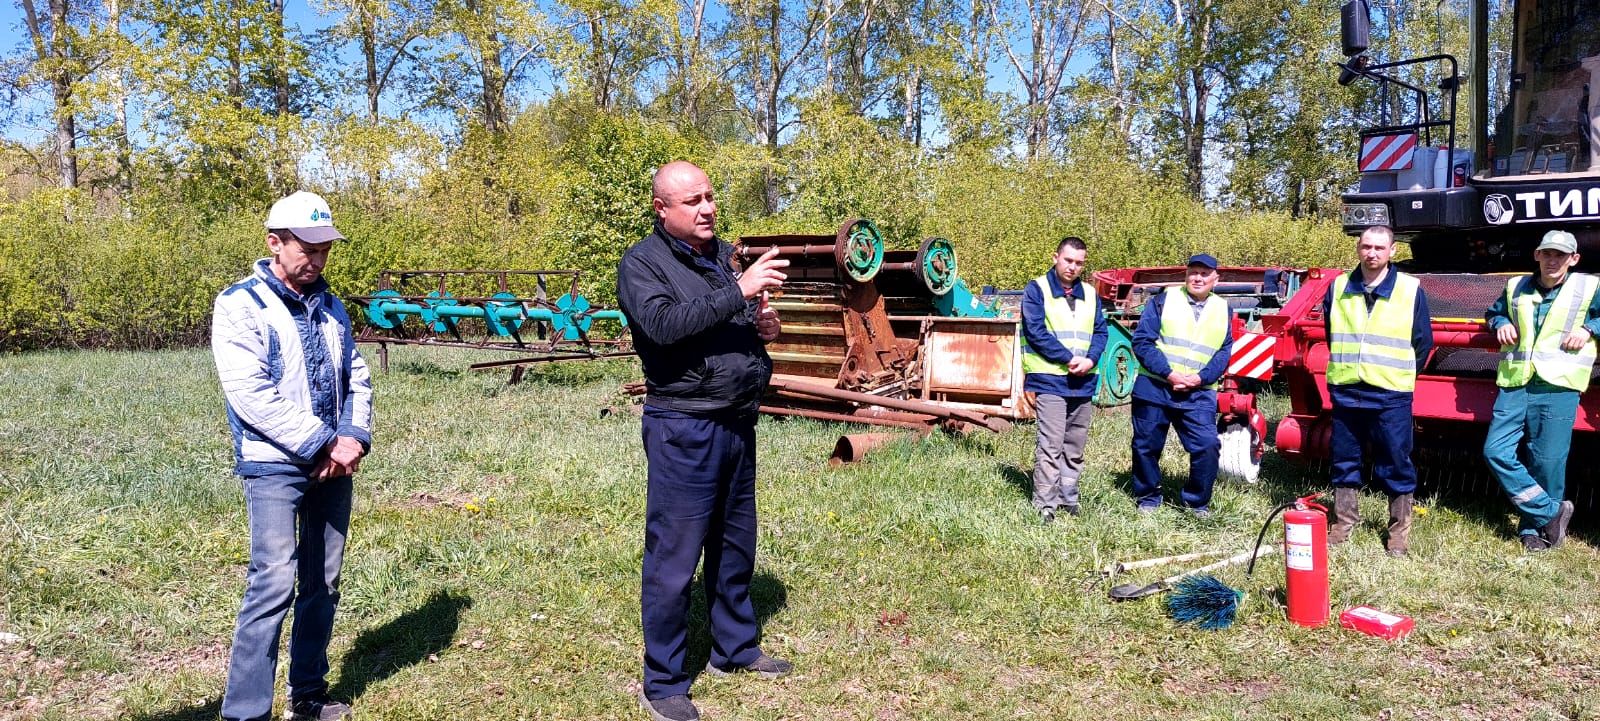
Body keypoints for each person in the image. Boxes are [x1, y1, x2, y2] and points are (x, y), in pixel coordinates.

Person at [617, 161, 792, 721]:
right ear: (661, 209)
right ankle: (664, 681)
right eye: (692, 201)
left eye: (710, 197)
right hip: (684, 426)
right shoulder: (641, 265)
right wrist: (740, 290)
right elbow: (665, 326)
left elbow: (724, 320)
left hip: (737, 421)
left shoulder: (718, 258)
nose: (707, 208)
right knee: (674, 557)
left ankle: (734, 648)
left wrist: (762, 327)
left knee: (735, 544)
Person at [211, 191, 371, 721]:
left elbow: (357, 375)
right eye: (309, 249)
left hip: (334, 464)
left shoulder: (332, 306)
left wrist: (351, 437)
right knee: (273, 581)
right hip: (275, 464)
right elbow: (251, 394)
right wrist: (322, 442)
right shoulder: (240, 304)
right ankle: (245, 713)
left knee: (322, 583)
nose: (318, 261)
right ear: (274, 243)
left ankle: (308, 698)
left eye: (326, 250)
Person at [1324, 225, 1433, 557]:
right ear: (1358, 248)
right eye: (1366, 247)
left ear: (1392, 251)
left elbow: (1422, 342)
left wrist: (1391, 370)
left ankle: (1398, 533)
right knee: (1344, 458)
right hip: (1346, 387)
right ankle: (1343, 523)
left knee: (1396, 460)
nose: (1372, 254)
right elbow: (1332, 333)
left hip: (1390, 392)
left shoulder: (1411, 289)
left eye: (1379, 248)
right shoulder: (1338, 286)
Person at [1482, 229, 1594, 552]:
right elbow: (1495, 312)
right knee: (1495, 451)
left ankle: (1534, 531)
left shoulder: (1589, 287)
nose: (1552, 260)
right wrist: (1499, 322)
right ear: (1537, 255)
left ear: (1574, 259)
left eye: (1560, 255)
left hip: (1559, 383)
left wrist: (1589, 329)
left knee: (1547, 462)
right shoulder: (1515, 286)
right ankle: (1550, 513)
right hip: (1516, 380)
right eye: (1547, 253)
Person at [1129, 253, 1233, 517]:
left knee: (1207, 445)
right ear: (1186, 275)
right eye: (1193, 272)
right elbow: (1142, 342)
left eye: (1204, 273)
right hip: (1156, 386)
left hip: (1198, 392)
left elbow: (1224, 351)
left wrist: (1201, 378)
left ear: (1215, 279)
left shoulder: (1224, 310)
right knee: (1146, 446)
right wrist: (1169, 373)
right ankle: (1148, 497)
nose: (1198, 278)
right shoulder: (1163, 300)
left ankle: (1197, 502)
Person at [1020, 236, 1108, 522]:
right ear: (1055, 257)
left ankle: (1068, 498)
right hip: (1050, 379)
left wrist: (1091, 359)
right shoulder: (1037, 289)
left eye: (1079, 263)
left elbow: (1101, 333)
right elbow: (1035, 332)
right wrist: (1068, 358)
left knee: (1075, 444)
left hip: (1083, 379)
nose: (1072, 267)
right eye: (1068, 260)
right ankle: (1045, 504)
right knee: (1051, 443)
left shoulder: (1091, 294)